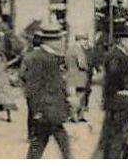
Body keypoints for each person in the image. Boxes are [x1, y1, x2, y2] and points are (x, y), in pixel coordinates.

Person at [22, 20, 71, 158]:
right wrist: (36, 111)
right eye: (60, 39)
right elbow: (33, 87)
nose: (62, 42)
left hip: (52, 110)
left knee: (39, 144)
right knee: (60, 142)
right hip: (46, 111)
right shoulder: (38, 58)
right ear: (51, 41)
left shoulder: (53, 57)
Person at [94, 19, 128, 159]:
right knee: (117, 139)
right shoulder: (116, 55)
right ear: (124, 41)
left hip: (119, 103)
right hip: (120, 103)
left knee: (116, 138)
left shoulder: (121, 55)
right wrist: (121, 89)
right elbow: (113, 73)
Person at [67, 32, 92, 122]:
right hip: (80, 77)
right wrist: (88, 67)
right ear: (79, 40)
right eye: (84, 40)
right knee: (80, 97)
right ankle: (75, 115)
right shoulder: (79, 50)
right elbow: (81, 64)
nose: (86, 42)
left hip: (70, 76)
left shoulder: (69, 49)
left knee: (74, 97)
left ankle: (77, 115)